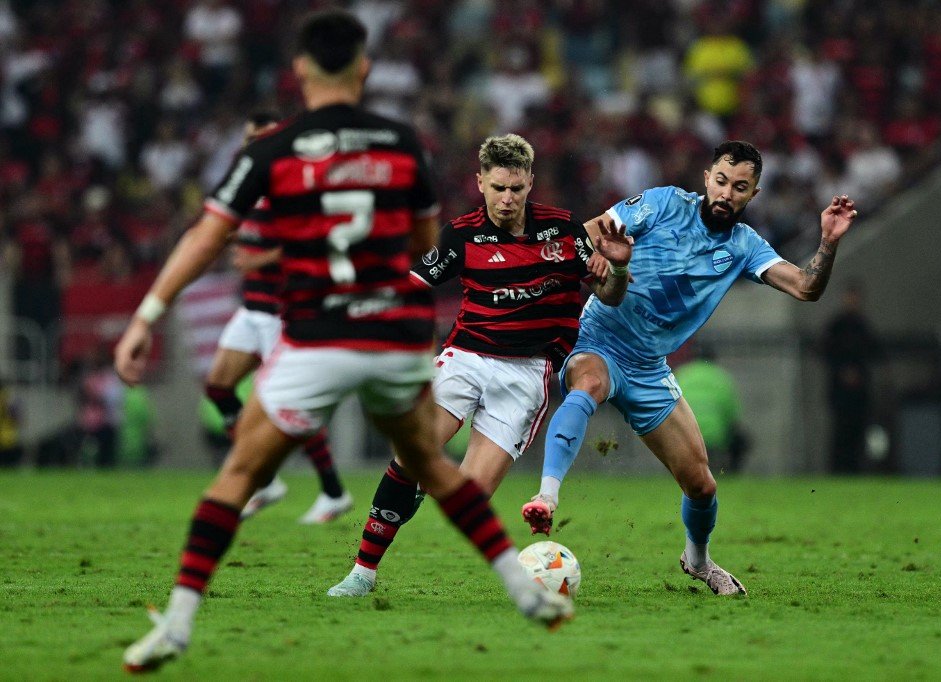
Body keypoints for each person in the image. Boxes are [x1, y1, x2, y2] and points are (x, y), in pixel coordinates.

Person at [115, 10, 572, 673]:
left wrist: (148, 314)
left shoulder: (273, 148)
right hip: (389, 336)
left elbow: (209, 234)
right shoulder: (400, 144)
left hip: (318, 331)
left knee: (239, 475)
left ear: (300, 69)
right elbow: (423, 243)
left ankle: (178, 624)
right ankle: (522, 592)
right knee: (434, 468)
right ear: (364, 69)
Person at [521, 140, 859, 597]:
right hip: (600, 338)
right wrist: (593, 260)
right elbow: (590, 232)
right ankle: (547, 496)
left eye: (739, 187)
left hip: (649, 368)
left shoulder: (744, 246)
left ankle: (698, 561)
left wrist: (829, 242)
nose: (726, 193)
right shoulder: (662, 204)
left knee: (702, 486)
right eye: (721, 181)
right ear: (707, 177)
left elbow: (806, 288)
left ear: (753, 194)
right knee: (589, 383)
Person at [327, 133, 632, 597]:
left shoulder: (564, 230)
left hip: (526, 373)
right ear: (480, 183)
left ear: (530, 183)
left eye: (516, 188)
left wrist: (618, 271)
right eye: (498, 188)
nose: (507, 199)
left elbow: (609, 295)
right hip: (466, 358)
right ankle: (362, 573)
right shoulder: (462, 234)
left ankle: (421, 486)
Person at [204, 110, 353, 524]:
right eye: (250, 138)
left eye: (262, 137)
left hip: (281, 313)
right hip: (251, 308)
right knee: (218, 387)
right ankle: (267, 481)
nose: (254, 145)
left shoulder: (295, 187)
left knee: (292, 409)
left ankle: (333, 492)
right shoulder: (248, 185)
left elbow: (316, 241)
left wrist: (261, 257)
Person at [822, 282, 881, 474]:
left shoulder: (863, 326)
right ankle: (838, 470)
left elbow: (873, 353)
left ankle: (855, 470)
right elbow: (826, 353)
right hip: (840, 393)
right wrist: (843, 372)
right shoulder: (836, 326)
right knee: (841, 432)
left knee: (858, 432)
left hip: (859, 393)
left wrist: (858, 374)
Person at [671, 344, 747, 474]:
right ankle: (730, 474)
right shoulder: (721, 377)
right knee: (741, 441)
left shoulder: (681, 374)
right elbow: (732, 415)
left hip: (685, 434)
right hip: (714, 436)